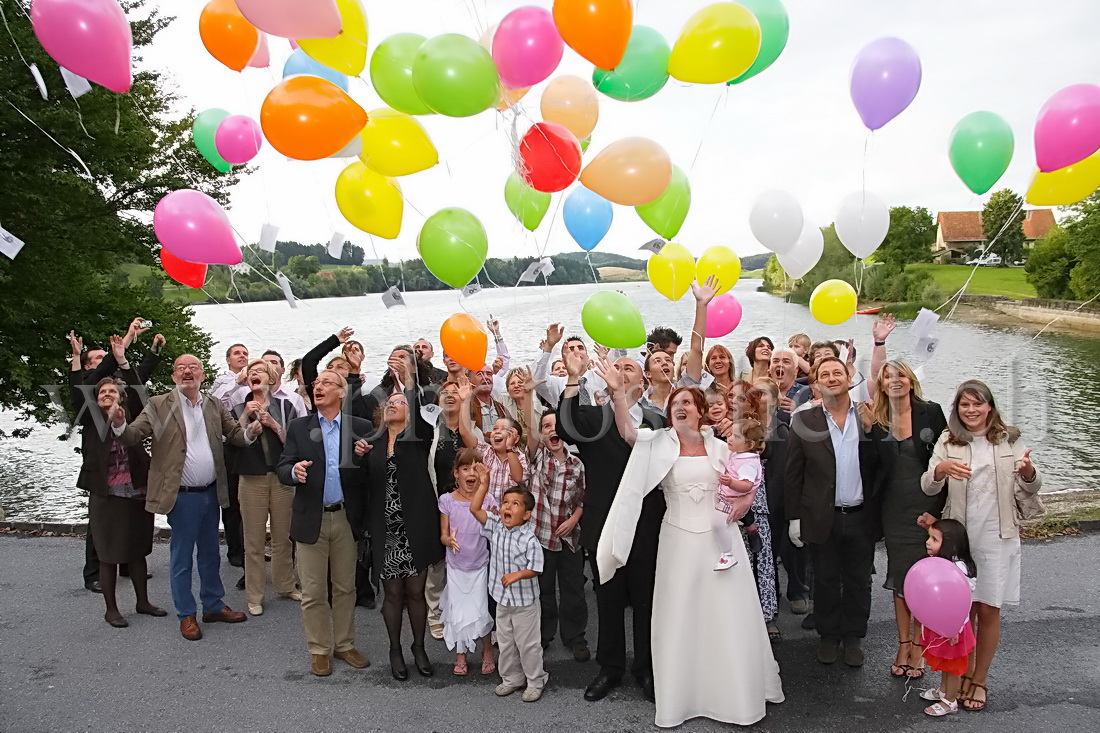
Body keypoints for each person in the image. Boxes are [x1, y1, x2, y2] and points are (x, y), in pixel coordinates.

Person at [597, 383, 784, 727]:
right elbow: (627, 432)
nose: (681, 407)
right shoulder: (659, 443)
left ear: (700, 409)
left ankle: (735, 695)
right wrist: (617, 395)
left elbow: (749, 475)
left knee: (726, 615)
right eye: (675, 404)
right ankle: (683, 697)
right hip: (678, 539)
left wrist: (743, 504)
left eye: (687, 402)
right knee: (681, 616)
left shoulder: (721, 443)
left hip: (720, 540)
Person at [111, 354, 259, 641]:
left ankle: (213, 605)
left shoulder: (214, 404)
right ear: (174, 377)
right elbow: (131, 436)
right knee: (182, 558)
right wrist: (118, 424)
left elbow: (236, 437)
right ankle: (186, 614)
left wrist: (251, 433)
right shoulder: (157, 404)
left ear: (202, 375)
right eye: (181, 368)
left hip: (210, 493)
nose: (187, 372)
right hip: (182, 496)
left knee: (210, 554)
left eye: (193, 368)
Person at [920, 379, 1041, 713]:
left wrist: (1028, 471)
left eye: (977, 404)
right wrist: (941, 469)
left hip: (996, 536)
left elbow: (1032, 484)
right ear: (957, 408)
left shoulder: (1009, 439)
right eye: (964, 404)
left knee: (987, 609)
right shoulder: (948, 439)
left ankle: (980, 679)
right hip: (959, 539)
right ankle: (962, 675)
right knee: (961, 613)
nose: (971, 410)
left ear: (990, 406)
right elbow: (928, 486)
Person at [556, 349, 666, 703]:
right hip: (603, 522)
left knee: (647, 600)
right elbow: (563, 426)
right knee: (608, 599)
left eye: (628, 367)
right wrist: (573, 378)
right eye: (615, 366)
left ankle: (647, 669)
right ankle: (610, 668)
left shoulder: (657, 419)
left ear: (642, 380)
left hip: (646, 523)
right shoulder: (595, 416)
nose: (620, 371)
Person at [276, 369, 373, 677]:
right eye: (316, 384)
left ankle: (345, 645)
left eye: (327, 383)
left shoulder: (361, 427)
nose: (318, 387)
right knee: (314, 590)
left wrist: (362, 458)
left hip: (345, 518)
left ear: (341, 392)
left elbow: (368, 477)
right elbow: (282, 465)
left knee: (345, 587)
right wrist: (294, 473)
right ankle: (319, 649)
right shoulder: (298, 427)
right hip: (310, 518)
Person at [785, 356, 879, 667]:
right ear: (816, 384)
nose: (831, 378)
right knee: (824, 579)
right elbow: (793, 474)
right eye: (824, 374)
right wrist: (795, 518)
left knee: (858, 580)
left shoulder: (869, 417)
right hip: (820, 516)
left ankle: (853, 637)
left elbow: (881, 464)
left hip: (860, 515)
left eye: (837, 372)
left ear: (849, 377)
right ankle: (828, 635)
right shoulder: (804, 421)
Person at [68, 332, 164, 627]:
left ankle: (143, 602)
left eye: (112, 392)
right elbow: (76, 392)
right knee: (108, 551)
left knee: (137, 547)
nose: (107, 395)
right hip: (105, 492)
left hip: (135, 488)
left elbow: (137, 383)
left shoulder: (131, 413)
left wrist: (123, 358)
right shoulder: (90, 418)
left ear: (121, 398)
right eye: (102, 393)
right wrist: (76, 357)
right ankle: (111, 609)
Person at [863, 355, 948, 680]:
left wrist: (937, 512)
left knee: (923, 578)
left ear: (910, 380)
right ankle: (903, 644)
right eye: (888, 377)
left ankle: (921, 645)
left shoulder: (932, 412)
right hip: (893, 509)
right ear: (882, 385)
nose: (894, 381)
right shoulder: (879, 417)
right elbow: (870, 467)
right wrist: (869, 431)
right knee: (900, 579)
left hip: (925, 507)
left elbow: (944, 458)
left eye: (900, 375)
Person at [365, 389, 445, 681]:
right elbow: (358, 483)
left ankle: (419, 647)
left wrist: (409, 382)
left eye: (399, 403)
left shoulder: (417, 438)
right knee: (393, 594)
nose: (392, 406)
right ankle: (395, 649)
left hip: (416, 525)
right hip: (385, 528)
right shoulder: (371, 442)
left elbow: (424, 408)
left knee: (415, 591)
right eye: (389, 403)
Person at [520, 370, 588, 662]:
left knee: (573, 588)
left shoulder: (577, 464)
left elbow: (584, 497)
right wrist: (526, 395)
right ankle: (544, 634)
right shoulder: (538, 457)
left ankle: (575, 636)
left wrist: (575, 519)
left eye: (556, 425)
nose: (551, 430)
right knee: (544, 588)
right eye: (546, 426)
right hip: (541, 538)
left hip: (570, 536)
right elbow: (529, 428)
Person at [469, 466, 548, 703]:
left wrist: (516, 575)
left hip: (524, 603)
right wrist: (484, 483)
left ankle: (536, 679)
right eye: (505, 502)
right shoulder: (496, 527)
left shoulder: (529, 539)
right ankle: (512, 678)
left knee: (528, 644)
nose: (507, 507)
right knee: (505, 642)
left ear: (526, 514)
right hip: (502, 600)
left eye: (515, 504)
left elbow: (536, 567)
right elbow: (474, 508)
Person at [232, 359, 300, 617]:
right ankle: (255, 596)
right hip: (252, 479)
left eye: (260, 371)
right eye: (251, 373)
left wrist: (273, 424)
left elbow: (293, 442)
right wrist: (244, 418)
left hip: (281, 478)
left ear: (271, 378)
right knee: (254, 540)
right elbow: (231, 440)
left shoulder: (286, 405)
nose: (254, 375)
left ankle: (285, 585)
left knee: (283, 537)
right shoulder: (238, 405)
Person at [425, 380, 482, 639]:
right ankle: (435, 613)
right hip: (438, 500)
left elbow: (478, 455)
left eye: (454, 393)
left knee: (469, 557)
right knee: (437, 561)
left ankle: (472, 613)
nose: (449, 396)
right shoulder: (429, 432)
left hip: (469, 503)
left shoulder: (470, 431)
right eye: (444, 393)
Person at [438, 449, 496, 677]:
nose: (470, 473)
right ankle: (460, 653)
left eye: (476, 468)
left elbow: (494, 530)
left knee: (481, 609)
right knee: (458, 611)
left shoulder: (488, 499)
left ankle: (487, 649)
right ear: (456, 474)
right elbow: (443, 535)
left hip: (480, 565)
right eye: (465, 469)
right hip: (456, 567)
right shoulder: (447, 501)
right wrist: (448, 540)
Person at [917, 518, 979, 718]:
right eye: (929, 537)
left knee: (953, 666)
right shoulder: (942, 563)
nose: (928, 542)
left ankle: (950, 700)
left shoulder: (957, 569)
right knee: (946, 661)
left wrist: (955, 628)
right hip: (942, 624)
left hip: (954, 627)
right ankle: (944, 691)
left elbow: (961, 601)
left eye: (934, 539)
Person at [211, 343, 250, 571]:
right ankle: (235, 550)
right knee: (231, 501)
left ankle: (249, 548)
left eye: (245, 353)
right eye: (237, 353)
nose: (242, 356)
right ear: (228, 360)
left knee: (247, 500)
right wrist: (237, 382)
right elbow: (217, 402)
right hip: (228, 447)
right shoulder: (223, 380)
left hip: (247, 443)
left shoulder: (253, 379)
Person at [712, 418, 765, 571]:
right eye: (731, 434)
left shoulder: (747, 462)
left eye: (736, 437)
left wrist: (730, 483)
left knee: (717, 523)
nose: (729, 438)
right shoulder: (740, 454)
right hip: (727, 496)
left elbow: (747, 485)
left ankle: (727, 554)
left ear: (750, 445)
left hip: (732, 500)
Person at [533, 326, 608, 406]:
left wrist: (605, 356)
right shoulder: (557, 384)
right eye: (571, 349)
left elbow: (620, 355)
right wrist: (548, 348)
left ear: (587, 357)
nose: (576, 351)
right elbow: (538, 380)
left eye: (580, 348)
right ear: (563, 360)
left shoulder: (600, 375)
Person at [262, 350, 308, 419]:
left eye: (274, 362)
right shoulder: (249, 394)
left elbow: (302, 427)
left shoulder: (295, 399)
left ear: (282, 370)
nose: (269, 365)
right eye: (265, 362)